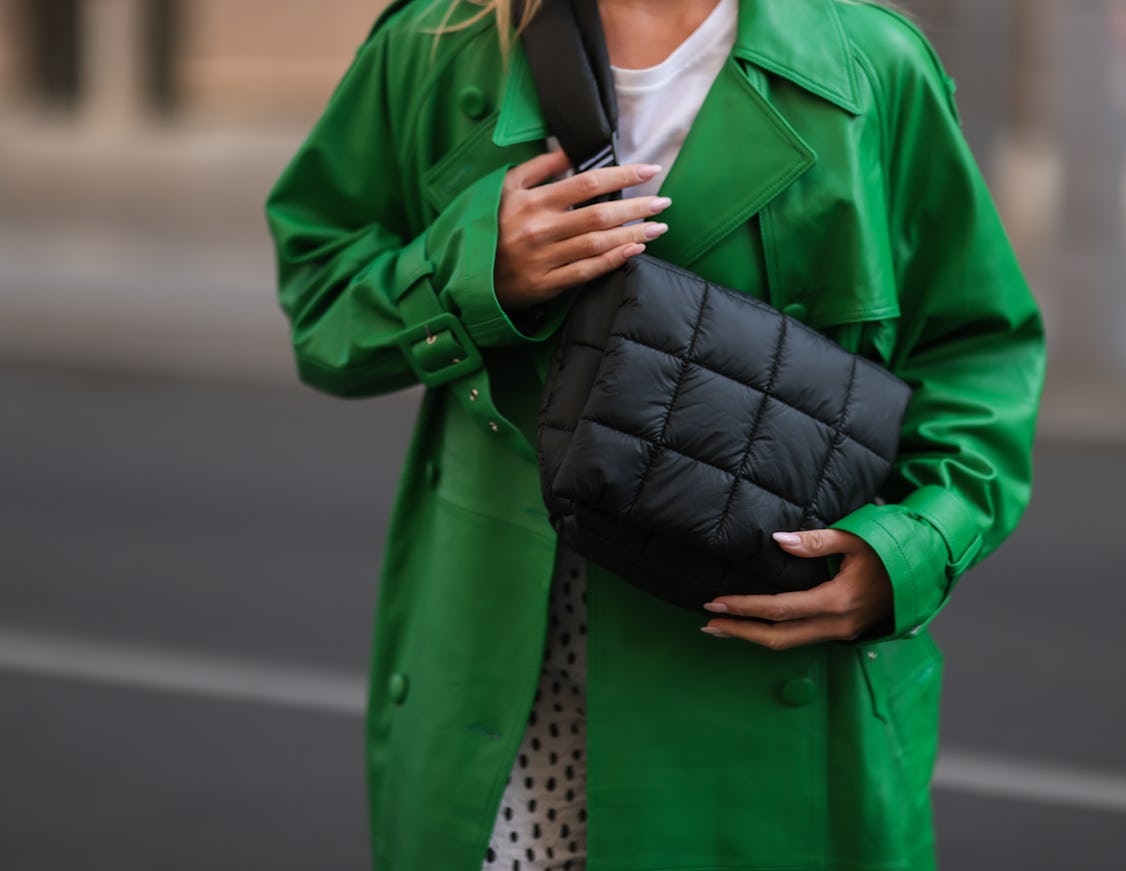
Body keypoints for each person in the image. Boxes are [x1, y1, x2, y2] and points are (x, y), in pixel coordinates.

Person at [265, 0, 1045, 869]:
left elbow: (979, 356)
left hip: (758, 683)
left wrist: (906, 550)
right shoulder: (442, 46)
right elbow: (322, 298)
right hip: (508, 685)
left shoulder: (870, 65)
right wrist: (473, 267)